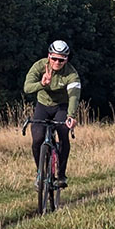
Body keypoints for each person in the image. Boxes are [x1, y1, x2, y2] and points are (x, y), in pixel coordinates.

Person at [23, 40, 81, 188]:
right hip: (42, 106)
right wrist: (41, 84)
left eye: (61, 59)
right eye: (54, 58)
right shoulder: (39, 66)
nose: (57, 62)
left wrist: (71, 116)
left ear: (66, 59)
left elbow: (74, 96)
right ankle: (40, 172)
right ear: (49, 56)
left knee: (63, 133)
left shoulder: (71, 74)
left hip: (61, 107)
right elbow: (27, 88)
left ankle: (61, 174)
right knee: (37, 138)